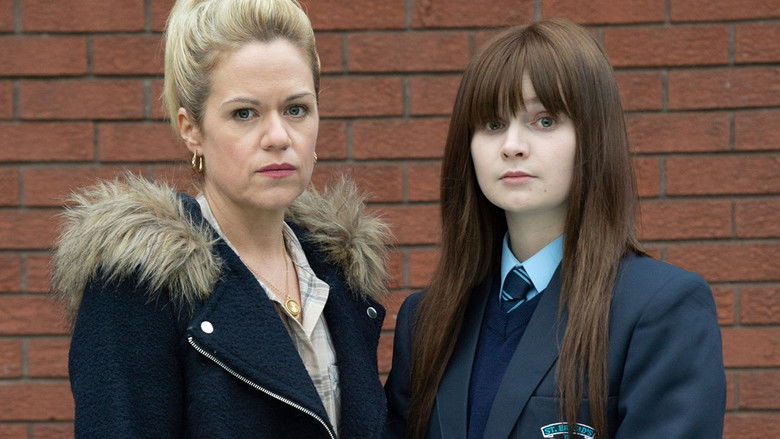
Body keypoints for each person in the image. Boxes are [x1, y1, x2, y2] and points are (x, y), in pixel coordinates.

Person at [52, 0, 389, 437]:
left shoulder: (338, 279)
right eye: (244, 113)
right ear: (191, 129)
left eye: (296, 109)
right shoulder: (141, 289)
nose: (278, 137)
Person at [384, 18, 725, 439]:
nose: (512, 145)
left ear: (593, 136)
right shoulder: (426, 320)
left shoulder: (660, 310)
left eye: (544, 120)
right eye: (492, 124)